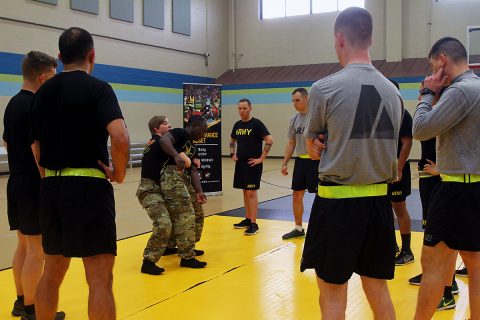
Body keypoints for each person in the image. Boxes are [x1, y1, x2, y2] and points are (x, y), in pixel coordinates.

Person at [300, 7, 402, 319]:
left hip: (337, 208)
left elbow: (312, 148)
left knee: (332, 299)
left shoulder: (324, 88)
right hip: (379, 207)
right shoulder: (393, 92)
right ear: (371, 39)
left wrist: (318, 144)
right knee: (379, 293)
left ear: (340, 38)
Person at [31, 27, 130, 320]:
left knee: (51, 273)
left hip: (51, 189)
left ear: (60, 57)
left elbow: (34, 146)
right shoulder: (99, 88)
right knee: (99, 279)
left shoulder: (42, 92)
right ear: (92, 55)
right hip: (89, 188)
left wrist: (49, 178)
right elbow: (120, 137)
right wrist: (119, 173)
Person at [412, 37, 480, 320]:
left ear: (442, 60)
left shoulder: (461, 91)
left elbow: (421, 129)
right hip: (473, 187)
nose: (431, 73)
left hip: (455, 192)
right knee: (475, 265)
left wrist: (428, 93)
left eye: (432, 66)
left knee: (432, 264)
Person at [2, 51, 64, 320]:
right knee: (37, 251)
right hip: (32, 186)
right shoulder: (35, 105)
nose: (54, 81)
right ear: (42, 76)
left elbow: (7, 142)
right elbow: (37, 149)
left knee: (24, 247)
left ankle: (20, 302)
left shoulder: (12, 104)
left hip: (15, 182)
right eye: (52, 76)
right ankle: (32, 310)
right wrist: (48, 183)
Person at [408, 85, 459, 311]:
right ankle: (442, 281)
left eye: (426, 91)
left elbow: (457, 148)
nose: (421, 95)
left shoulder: (443, 116)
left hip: (438, 181)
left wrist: (442, 169)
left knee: (441, 239)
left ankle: (446, 291)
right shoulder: (429, 116)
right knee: (434, 236)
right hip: (427, 180)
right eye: (422, 91)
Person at [137, 115, 206, 273]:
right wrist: (178, 156)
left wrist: (199, 191)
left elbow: (191, 167)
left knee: (188, 213)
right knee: (166, 222)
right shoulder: (162, 140)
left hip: (162, 186)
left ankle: (174, 246)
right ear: (156, 129)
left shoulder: (179, 145)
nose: (170, 126)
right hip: (150, 188)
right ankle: (149, 261)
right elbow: (165, 141)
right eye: (165, 124)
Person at [159, 115, 208, 268]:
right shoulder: (180, 133)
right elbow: (164, 140)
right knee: (185, 214)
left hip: (184, 180)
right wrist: (175, 155)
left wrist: (199, 191)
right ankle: (186, 257)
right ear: (194, 125)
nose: (204, 134)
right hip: (170, 177)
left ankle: (184, 245)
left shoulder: (193, 147)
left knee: (198, 212)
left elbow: (193, 170)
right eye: (203, 130)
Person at [230, 98, 273, 236]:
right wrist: (232, 153)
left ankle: (254, 223)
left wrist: (261, 158)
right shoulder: (237, 125)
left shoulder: (257, 124)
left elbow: (269, 140)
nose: (242, 111)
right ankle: (248, 219)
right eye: (240, 108)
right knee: (244, 192)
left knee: (251, 193)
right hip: (241, 164)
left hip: (252, 164)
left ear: (250, 108)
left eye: (244, 108)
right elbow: (232, 140)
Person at [280, 88, 319, 240]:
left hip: (316, 161)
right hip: (301, 161)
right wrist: (284, 163)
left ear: (306, 99)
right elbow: (291, 142)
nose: (294, 104)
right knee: (296, 194)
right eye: (293, 101)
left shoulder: (316, 117)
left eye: (297, 100)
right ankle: (298, 228)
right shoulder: (294, 120)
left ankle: (319, 228)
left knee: (319, 196)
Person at [387, 80, 414, 266]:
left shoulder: (403, 114)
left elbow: (407, 142)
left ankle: (407, 250)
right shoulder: (381, 113)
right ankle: (391, 245)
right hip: (381, 170)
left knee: (399, 208)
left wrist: (399, 168)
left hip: (397, 170)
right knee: (383, 208)